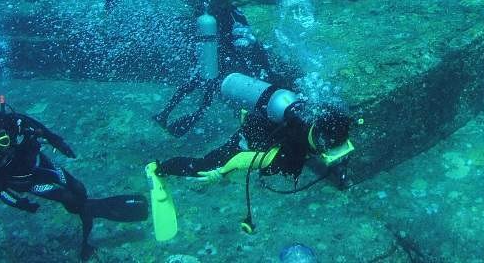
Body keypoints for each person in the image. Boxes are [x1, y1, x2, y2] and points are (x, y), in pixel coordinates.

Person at [149, 73, 354, 234]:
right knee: (203, 167)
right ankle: (158, 168)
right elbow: (242, 159)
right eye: (327, 147)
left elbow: (338, 146)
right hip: (250, 138)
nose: (331, 150)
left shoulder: (333, 125)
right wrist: (221, 173)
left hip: (270, 117)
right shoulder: (287, 155)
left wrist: (341, 171)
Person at [0, 97, 148, 260]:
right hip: (28, 182)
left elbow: (42, 129)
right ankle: (86, 216)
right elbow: (1, 189)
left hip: (39, 163)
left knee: (78, 188)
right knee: (68, 198)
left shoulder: (13, 122)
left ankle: (86, 210)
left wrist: (58, 143)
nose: (4, 147)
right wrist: (21, 203)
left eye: (4, 139)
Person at [152, 0, 279, 137]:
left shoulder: (207, 10)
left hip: (209, 56)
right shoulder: (229, 12)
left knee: (195, 85)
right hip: (221, 59)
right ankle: (180, 117)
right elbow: (241, 35)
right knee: (206, 93)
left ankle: (165, 114)